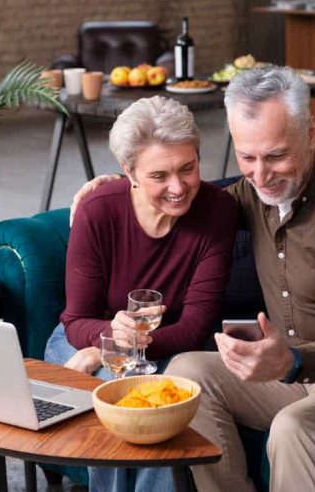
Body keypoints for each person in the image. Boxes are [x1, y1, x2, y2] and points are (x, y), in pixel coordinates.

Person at [71, 67, 315, 492]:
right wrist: (125, 185)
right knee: (186, 375)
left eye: (276, 155)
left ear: (310, 132)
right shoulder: (252, 193)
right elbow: (190, 194)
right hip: (295, 372)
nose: (261, 174)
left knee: (294, 428)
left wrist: (294, 362)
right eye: (247, 157)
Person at [47, 95, 237, 492]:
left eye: (188, 168)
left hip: (164, 347)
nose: (178, 187)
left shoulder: (217, 211)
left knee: (157, 404)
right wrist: (107, 343)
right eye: (159, 176)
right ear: (128, 172)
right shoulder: (98, 209)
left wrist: (113, 350)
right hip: (82, 339)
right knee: (116, 393)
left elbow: (196, 326)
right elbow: (76, 319)